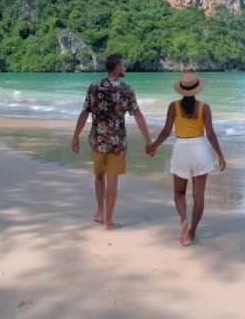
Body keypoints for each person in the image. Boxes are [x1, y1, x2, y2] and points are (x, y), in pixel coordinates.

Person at [71, 53, 152, 230]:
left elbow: (85, 113)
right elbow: (137, 115)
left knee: (99, 176)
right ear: (116, 67)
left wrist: (75, 135)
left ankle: (100, 212)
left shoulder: (94, 87)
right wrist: (148, 140)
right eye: (123, 65)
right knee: (112, 179)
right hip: (117, 142)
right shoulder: (126, 89)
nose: (125, 68)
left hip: (97, 140)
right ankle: (109, 222)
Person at [147, 72, 226, 246]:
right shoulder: (204, 108)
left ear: (181, 90)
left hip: (181, 151)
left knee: (179, 193)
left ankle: (183, 219)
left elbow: (166, 131)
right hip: (200, 151)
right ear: (197, 89)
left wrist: (153, 146)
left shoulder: (173, 106)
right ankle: (192, 233)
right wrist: (220, 155)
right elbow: (211, 135)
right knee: (199, 197)